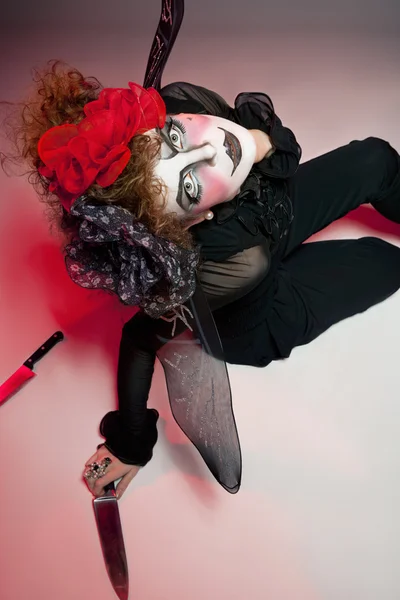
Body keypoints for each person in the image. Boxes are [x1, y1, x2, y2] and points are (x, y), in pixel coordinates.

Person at [3, 62, 400, 500]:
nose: (211, 152)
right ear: (197, 217)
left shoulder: (185, 104)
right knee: (383, 262)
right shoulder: (229, 262)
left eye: (173, 139)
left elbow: (270, 147)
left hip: (271, 214)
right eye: (189, 187)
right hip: (263, 315)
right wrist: (128, 443)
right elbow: (139, 340)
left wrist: (257, 142)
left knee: (376, 158)